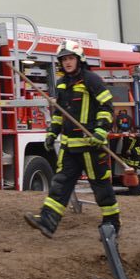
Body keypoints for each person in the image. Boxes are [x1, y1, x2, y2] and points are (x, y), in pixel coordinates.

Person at [25, 39, 121, 238]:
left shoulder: (91, 80)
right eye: (64, 59)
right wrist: (52, 132)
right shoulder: (61, 85)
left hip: (92, 146)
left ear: (79, 59)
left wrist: (101, 131)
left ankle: (112, 223)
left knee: (101, 186)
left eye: (70, 58)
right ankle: (47, 222)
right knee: (60, 184)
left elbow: (106, 106)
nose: (67, 62)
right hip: (70, 147)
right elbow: (59, 113)